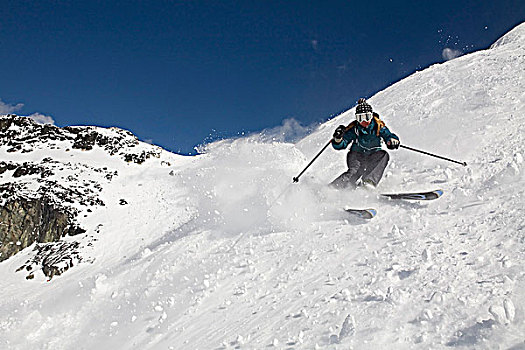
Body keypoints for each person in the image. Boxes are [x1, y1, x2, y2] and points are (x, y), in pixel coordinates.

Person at [330, 98, 400, 189]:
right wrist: (338, 139)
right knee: (355, 172)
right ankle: (333, 188)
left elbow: (388, 135)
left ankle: (368, 182)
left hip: (373, 154)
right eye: (360, 118)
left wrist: (392, 140)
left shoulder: (378, 126)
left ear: (371, 116)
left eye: (367, 117)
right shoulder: (354, 129)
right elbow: (342, 144)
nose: (364, 121)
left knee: (383, 155)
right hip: (357, 155)